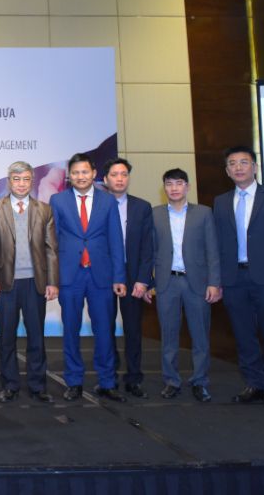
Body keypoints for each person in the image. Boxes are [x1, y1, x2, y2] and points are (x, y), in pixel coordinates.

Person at [213, 146, 264, 409]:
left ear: (255, 167)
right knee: (243, 335)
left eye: (244, 162)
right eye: (232, 163)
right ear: (227, 171)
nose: (238, 167)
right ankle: (254, 383)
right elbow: (218, 244)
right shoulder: (220, 201)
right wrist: (217, 279)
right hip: (233, 278)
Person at [50, 152, 127, 402]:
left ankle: (107, 381)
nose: (80, 176)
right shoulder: (58, 200)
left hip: (101, 276)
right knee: (70, 330)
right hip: (69, 275)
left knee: (104, 330)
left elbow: (116, 240)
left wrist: (119, 276)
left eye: (85, 172)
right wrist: (53, 277)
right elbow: (53, 242)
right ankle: (73, 381)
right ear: (69, 176)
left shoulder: (107, 201)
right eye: (75, 172)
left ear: (94, 173)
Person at [146, 168, 221, 402]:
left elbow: (213, 250)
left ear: (187, 187)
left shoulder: (204, 213)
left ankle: (200, 381)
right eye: (169, 184)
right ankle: (171, 381)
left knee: (200, 336)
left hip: (196, 282)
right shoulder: (155, 214)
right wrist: (148, 282)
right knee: (168, 336)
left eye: (179, 183)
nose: (174, 188)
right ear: (164, 188)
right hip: (166, 282)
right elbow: (149, 251)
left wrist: (214, 282)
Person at [0, 161, 59, 404]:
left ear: (32, 181)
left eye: (26, 179)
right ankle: (10, 385)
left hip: (35, 283)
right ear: (9, 181)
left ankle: (38, 386)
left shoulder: (44, 210)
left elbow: (51, 249)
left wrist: (52, 281)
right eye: (16, 179)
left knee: (36, 337)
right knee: (7, 338)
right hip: (5, 283)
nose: (21, 184)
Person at [102, 158, 154, 399]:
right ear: (105, 179)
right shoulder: (98, 205)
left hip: (133, 276)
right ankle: (109, 377)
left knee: (133, 329)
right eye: (114, 175)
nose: (120, 179)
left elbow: (148, 247)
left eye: (124, 174)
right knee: (106, 328)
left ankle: (134, 378)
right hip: (105, 275)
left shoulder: (142, 207)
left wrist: (144, 280)